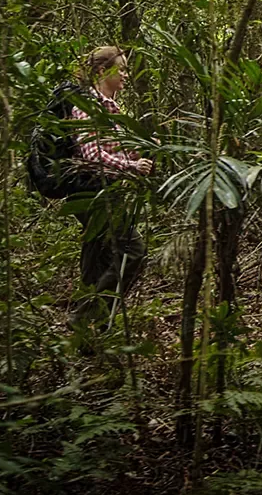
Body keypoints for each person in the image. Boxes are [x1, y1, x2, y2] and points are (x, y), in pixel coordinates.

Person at [68, 46, 154, 323]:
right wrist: (132, 166)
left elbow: (116, 151)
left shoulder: (111, 108)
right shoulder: (88, 106)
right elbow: (92, 155)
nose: (127, 75)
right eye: (123, 68)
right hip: (91, 192)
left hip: (105, 191)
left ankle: (89, 340)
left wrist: (143, 150)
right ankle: (84, 317)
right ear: (103, 71)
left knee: (96, 262)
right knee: (133, 250)